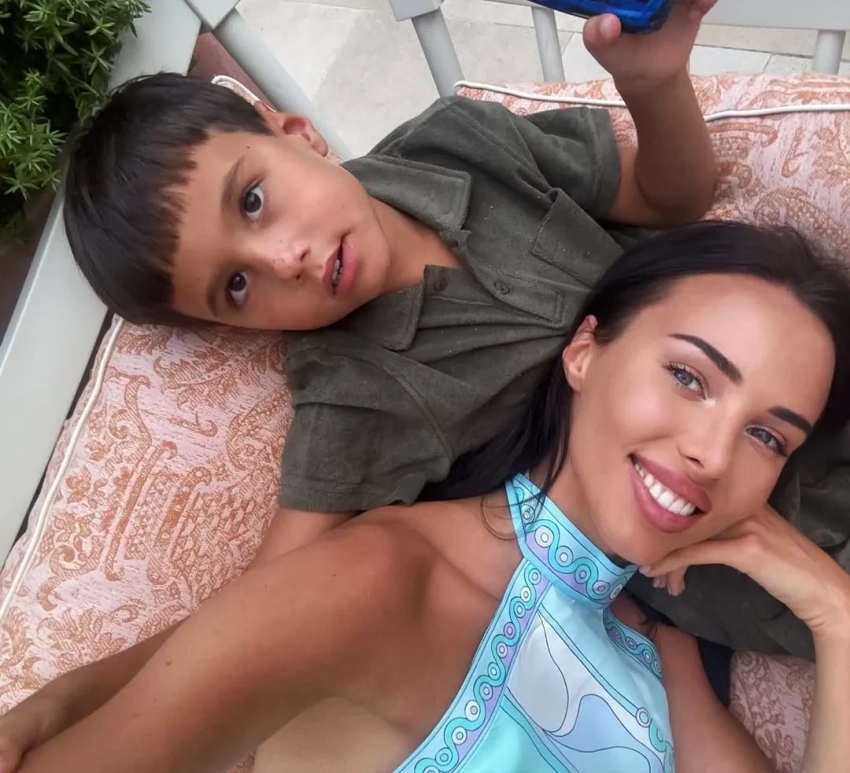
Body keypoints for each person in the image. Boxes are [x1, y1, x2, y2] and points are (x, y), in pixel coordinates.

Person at [3, 221, 850, 773]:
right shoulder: (376, 581)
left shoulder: (660, 646)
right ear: (585, 351)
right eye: (689, 376)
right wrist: (64, 698)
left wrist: (835, 613)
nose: (713, 455)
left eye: (768, 436)